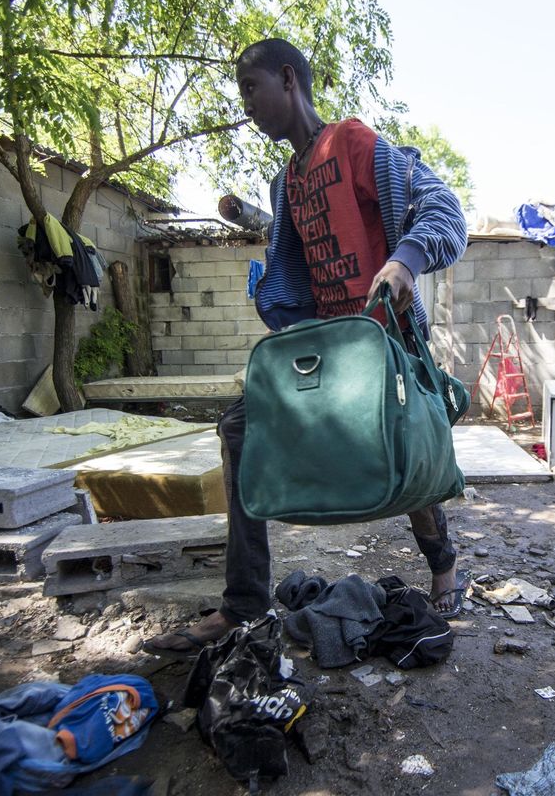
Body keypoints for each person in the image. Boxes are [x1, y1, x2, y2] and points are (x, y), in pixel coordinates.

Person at [145, 39, 469, 655]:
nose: (246, 105)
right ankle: (244, 602)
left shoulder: (352, 143)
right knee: (240, 428)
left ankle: (444, 566)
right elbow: (293, 269)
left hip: (385, 339)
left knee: (409, 459)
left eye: (251, 88)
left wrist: (405, 260)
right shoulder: (286, 183)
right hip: (328, 351)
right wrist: (277, 297)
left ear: (288, 78)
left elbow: (442, 206)